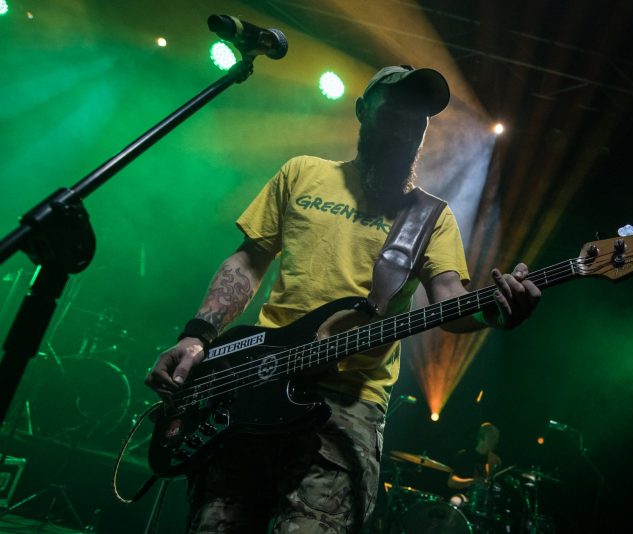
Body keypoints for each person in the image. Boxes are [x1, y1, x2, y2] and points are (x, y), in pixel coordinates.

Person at [145, 65, 541, 533]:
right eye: (394, 112)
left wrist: (495, 313)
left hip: (348, 407)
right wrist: (197, 336)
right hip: (254, 382)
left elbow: (450, 302)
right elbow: (248, 262)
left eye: (417, 120)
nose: (405, 128)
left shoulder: (430, 216)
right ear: (362, 110)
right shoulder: (303, 173)